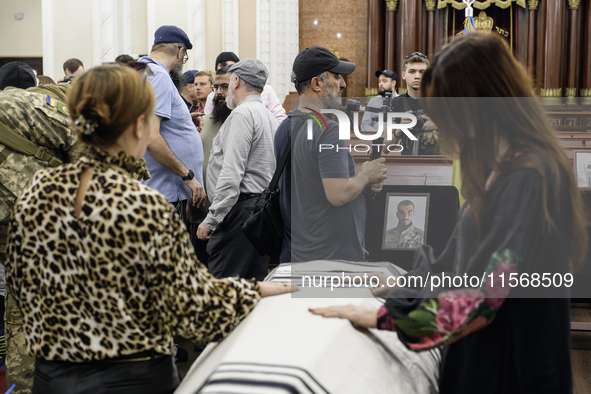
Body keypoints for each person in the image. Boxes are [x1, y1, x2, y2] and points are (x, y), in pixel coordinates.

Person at [310, 33, 587, 394]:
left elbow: (486, 293)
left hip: (512, 367)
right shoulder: (503, 164)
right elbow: (456, 263)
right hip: (485, 356)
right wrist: (397, 284)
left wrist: (383, 317)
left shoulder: (529, 175)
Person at [4, 64, 291, 394]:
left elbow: (24, 289)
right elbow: (191, 309)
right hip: (129, 378)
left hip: (53, 376)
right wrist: (255, 292)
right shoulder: (141, 204)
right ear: (139, 125)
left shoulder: (35, 194)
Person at [274, 46, 387, 263]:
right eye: (337, 77)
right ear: (316, 83)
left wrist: (361, 183)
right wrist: (366, 175)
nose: (343, 84)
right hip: (330, 258)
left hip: (297, 253)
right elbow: (338, 195)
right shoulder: (327, 129)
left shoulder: (285, 126)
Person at [196, 59, 278, 280]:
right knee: (252, 286)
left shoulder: (242, 114)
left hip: (238, 214)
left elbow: (231, 175)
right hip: (259, 212)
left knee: (224, 286)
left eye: (229, 81)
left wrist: (211, 220)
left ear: (236, 81)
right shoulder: (269, 116)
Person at [138, 25, 206, 225]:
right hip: (161, 194)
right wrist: (188, 176)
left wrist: (181, 121)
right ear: (180, 52)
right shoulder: (158, 75)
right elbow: (151, 137)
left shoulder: (140, 70)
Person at [187, 66, 233, 265]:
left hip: (225, 217)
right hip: (200, 213)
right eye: (217, 87)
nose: (220, 92)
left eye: (225, 86)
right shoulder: (210, 119)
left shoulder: (240, 120)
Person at [203, 51, 287, 123]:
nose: (227, 73)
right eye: (222, 70)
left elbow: (280, 118)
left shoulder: (266, 90)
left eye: (231, 69)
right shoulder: (213, 96)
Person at [390, 52, 439, 155]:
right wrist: (399, 129)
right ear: (403, 75)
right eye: (412, 72)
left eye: (422, 72)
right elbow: (385, 147)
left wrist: (437, 125)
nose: (417, 76)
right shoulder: (397, 102)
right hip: (408, 163)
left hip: (437, 163)